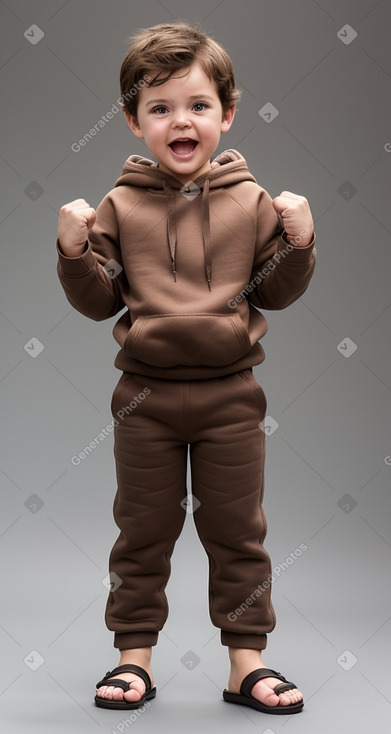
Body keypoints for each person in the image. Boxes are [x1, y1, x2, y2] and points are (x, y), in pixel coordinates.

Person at [56, 21, 316, 715]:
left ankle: (244, 664)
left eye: (198, 106)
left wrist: (300, 243)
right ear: (134, 121)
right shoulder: (119, 204)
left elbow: (276, 293)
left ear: (226, 114)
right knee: (142, 530)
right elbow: (97, 302)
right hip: (143, 398)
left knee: (238, 532)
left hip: (233, 396)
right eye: (160, 107)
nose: (181, 120)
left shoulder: (250, 199)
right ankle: (132, 660)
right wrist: (74, 253)